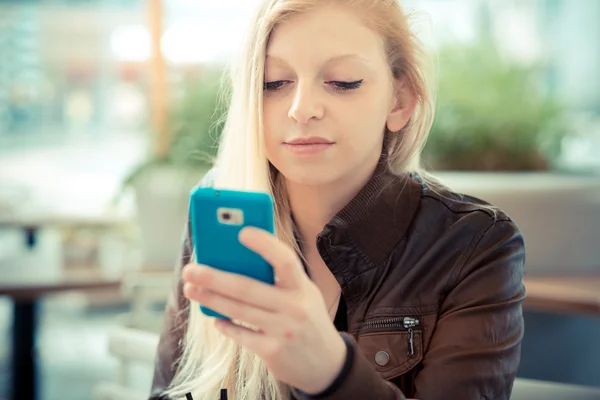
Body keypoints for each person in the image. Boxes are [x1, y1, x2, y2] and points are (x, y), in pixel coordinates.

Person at [150, 1, 526, 399]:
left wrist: (331, 373)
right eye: (274, 83)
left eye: (343, 81)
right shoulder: (223, 211)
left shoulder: (475, 246)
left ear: (400, 102)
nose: (301, 109)